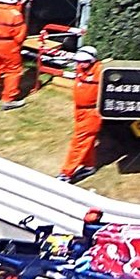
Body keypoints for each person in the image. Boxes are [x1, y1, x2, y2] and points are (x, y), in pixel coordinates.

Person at [58, 45, 102, 183]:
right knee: (86, 141)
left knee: (79, 142)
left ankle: (66, 174)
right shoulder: (80, 67)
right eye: (78, 61)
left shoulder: (101, 72)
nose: (80, 64)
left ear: (93, 60)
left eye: (84, 61)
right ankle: (88, 166)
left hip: (92, 113)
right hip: (79, 110)